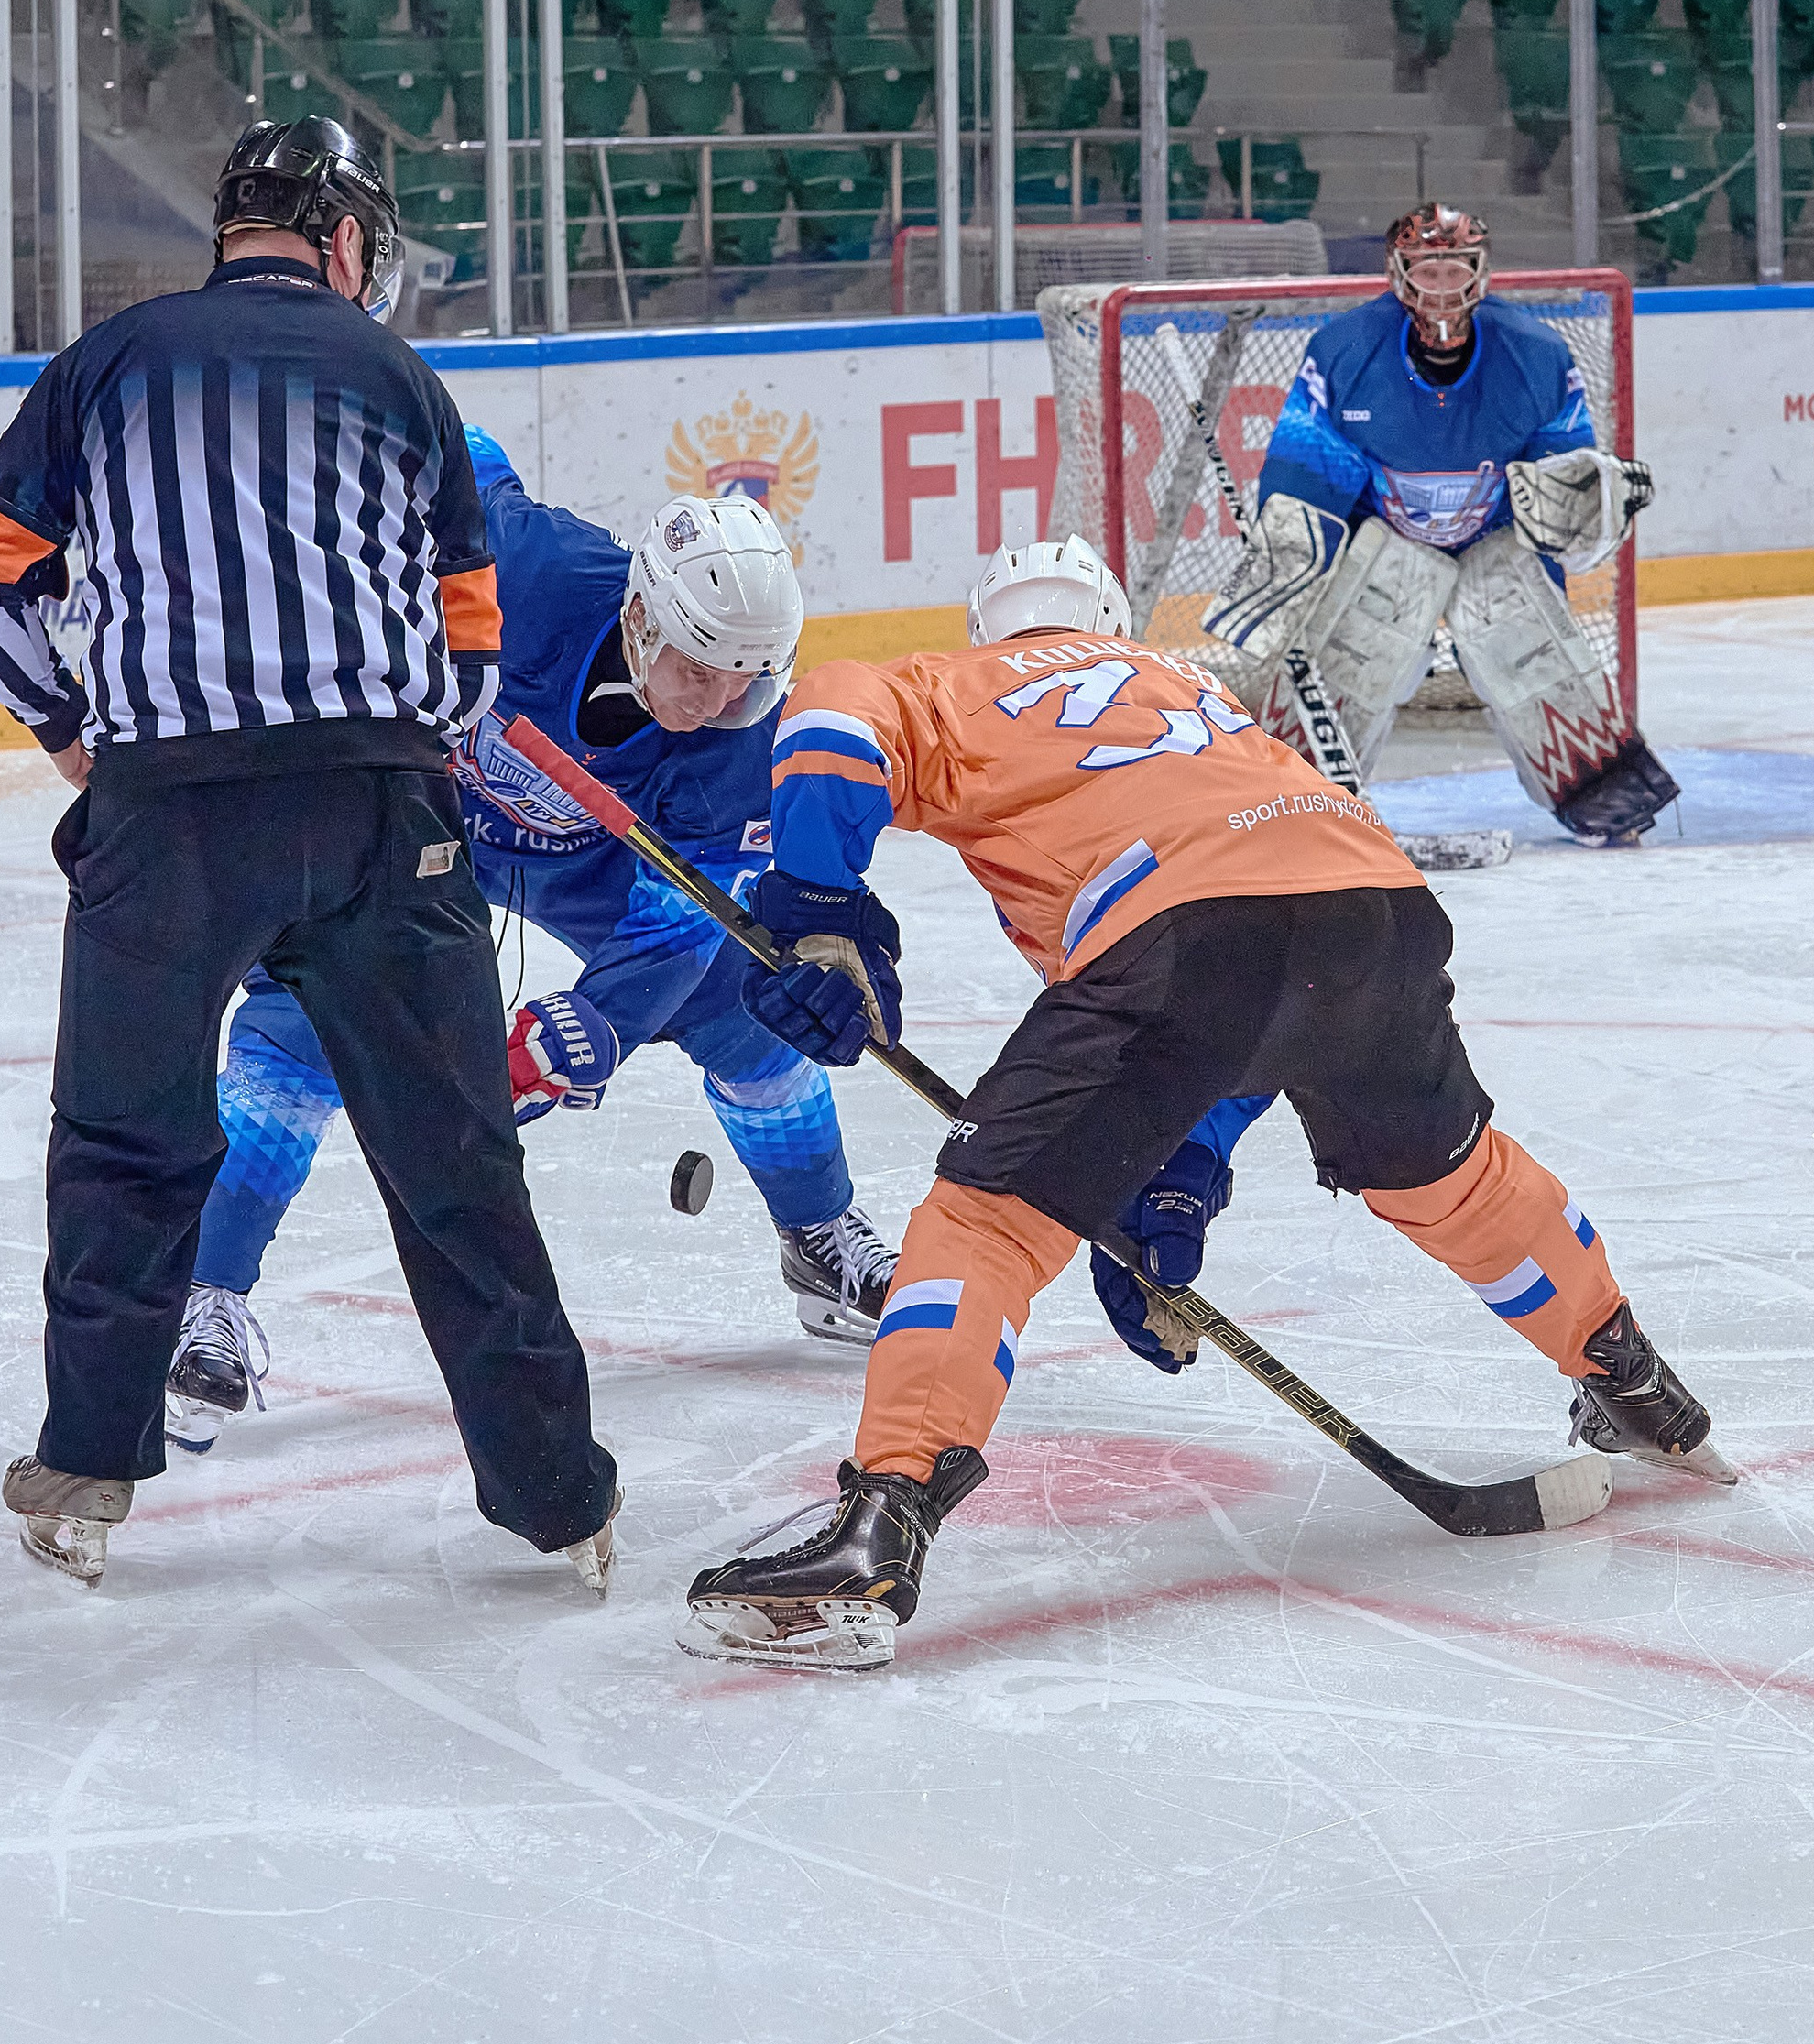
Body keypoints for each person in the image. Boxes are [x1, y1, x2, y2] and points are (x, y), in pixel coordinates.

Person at [677, 533, 1729, 1671]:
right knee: (1451, 1178)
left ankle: (881, 1524)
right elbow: (1256, 992)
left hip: (1177, 929)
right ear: (1112, 622)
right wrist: (1176, 1174)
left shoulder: (956, 680)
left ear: (991, 630)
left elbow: (833, 713)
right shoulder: (1198, 696)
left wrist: (819, 904)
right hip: (1370, 907)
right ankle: (1630, 1376)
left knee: (987, 1218)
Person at [0, 116, 619, 1594]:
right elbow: (469, 642)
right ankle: (558, 1494)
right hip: (381, 805)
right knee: (454, 1159)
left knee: (127, 1141)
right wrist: (404, 748)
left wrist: (70, 726)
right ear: (339, 235)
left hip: (170, 809)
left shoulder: (112, 360)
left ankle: (86, 1467)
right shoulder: (402, 376)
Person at [165, 441, 899, 1451]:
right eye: (701, 671)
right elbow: (455, 461)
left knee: (741, 1000)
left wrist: (594, 1021)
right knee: (302, 1020)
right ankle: (205, 1294)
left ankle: (818, 1233)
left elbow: (687, 907)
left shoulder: (734, 739)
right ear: (641, 614)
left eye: (748, 680)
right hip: (421, 819)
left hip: (587, 862)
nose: (723, 703)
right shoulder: (530, 568)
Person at [1201, 203, 1678, 843]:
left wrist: (1584, 508)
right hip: (1389, 538)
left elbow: (1554, 488)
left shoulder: (1536, 355)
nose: (1443, 285)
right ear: (1397, 273)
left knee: (1519, 636)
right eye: (1428, 268)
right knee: (1361, 635)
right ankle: (1287, 804)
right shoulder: (1345, 353)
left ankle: (1603, 799)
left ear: (1483, 272)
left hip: (1494, 537)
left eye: (1456, 268)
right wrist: (1291, 559)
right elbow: (1308, 479)